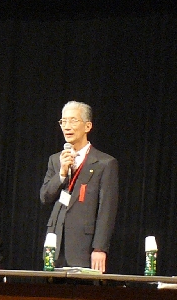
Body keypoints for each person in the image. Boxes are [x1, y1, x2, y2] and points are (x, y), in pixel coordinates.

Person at [40, 101, 119, 272]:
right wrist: (61, 174)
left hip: (84, 246)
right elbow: (45, 197)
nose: (67, 126)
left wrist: (99, 248)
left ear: (87, 126)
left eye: (73, 120)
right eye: (63, 121)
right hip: (55, 244)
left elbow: (107, 210)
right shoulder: (56, 160)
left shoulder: (104, 163)